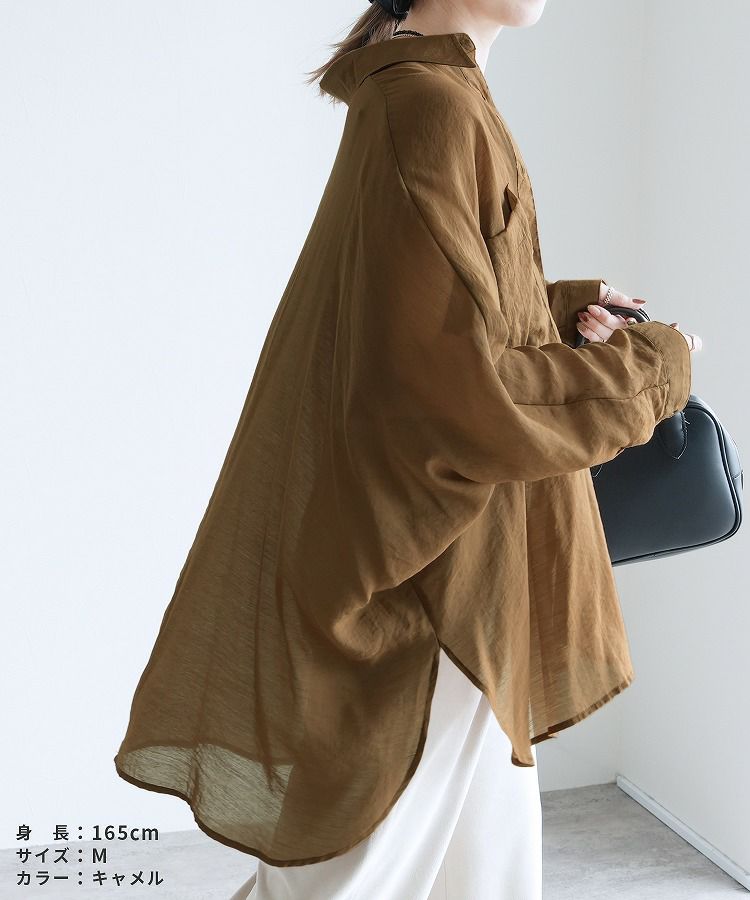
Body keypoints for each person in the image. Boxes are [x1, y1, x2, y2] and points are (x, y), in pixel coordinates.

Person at [114, 1, 702, 898]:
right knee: (362, 875)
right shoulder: (429, 104)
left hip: (463, 563)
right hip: (435, 573)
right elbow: (461, 392)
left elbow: (422, 316)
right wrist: (655, 367)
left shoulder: (430, 87)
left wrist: (557, 308)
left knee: (482, 869)